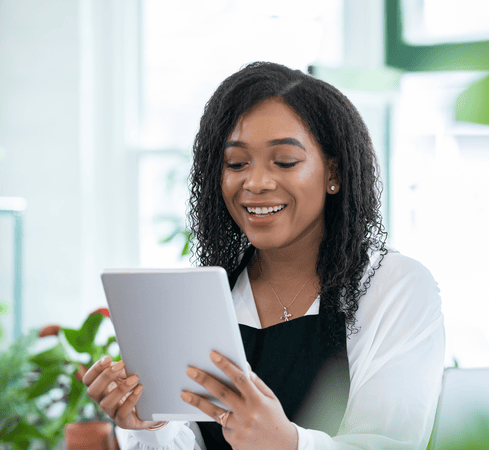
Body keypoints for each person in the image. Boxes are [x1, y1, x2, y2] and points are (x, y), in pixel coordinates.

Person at [83, 62, 445, 450]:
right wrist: (147, 424)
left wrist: (289, 443)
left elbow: (391, 443)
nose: (255, 183)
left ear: (333, 173)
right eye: (236, 164)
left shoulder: (395, 287)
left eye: (285, 162)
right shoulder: (208, 296)